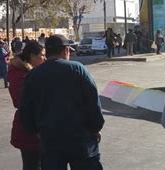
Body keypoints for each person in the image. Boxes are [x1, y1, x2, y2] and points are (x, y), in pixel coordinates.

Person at [20, 34, 105, 169]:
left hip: (50, 140)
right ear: (65, 50)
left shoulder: (33, 75)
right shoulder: (78, 69)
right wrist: (95, 128)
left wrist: (36, 131)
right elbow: (93, 103)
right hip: (81, 139)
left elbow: (25, 109)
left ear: (47, 52)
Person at [7, 41, 45, 170]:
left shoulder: (30, 72)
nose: (45, 59)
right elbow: (20, 100)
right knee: (32, 164)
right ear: (32, 56)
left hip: (33, 127)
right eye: (42, 55)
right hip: (29, 127)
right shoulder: (22, 74)